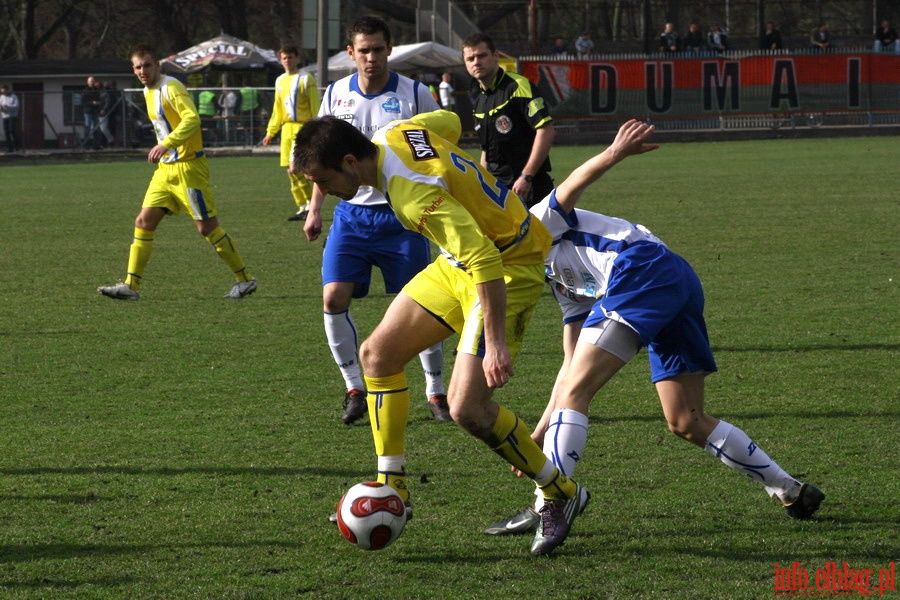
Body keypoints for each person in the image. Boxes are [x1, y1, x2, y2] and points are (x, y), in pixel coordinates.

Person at [482, 120, 825, 538]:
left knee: (580, 392)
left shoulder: (533, 225)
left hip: (642, 271)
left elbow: (571, 185)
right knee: (686, 420)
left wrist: (614, 152)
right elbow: (569, 362)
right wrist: (537, 432)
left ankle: (551, 502)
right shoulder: (553, 278)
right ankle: (790, 489)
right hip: (674, 280)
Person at [292, 110, 589, 556]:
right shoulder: (394, 131)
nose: (324, 191)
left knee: (468, 408)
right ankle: (394, 485)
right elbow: (448, 121)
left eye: (323, 179)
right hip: (459, 263)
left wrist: (496, 344)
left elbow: (485, 258)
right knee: (377, 356)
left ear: (351, 161)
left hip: (506, 267)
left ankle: (560, 490)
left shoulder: (413, 196)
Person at [301, 16, 449, 425]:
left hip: (403, 215)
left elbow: (438, 150)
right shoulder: (335, 95)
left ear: (389, 50)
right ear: (350, 53)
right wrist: (315, 209)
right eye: (363, 50)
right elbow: (322, 158)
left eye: (378, 49)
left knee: (422, 306)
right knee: (333, 298)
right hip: (350, 216)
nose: (371, 57)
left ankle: (436, 392)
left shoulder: (416, 94)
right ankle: (354, 388)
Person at [98, 45, 256, 301]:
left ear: (157, 65)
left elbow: (191, 119)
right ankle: (131, 286)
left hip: (188, 168)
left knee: (207, 228)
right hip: (165, 171)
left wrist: (166, 144)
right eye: (138, 67)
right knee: (143, 222)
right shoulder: (147, 91)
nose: (142, 71)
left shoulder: (171, 87)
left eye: (147, 65)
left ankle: (245, 279)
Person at [463, 32, 556, 209]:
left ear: (495, 56)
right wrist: (482, 184)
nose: (476, 62)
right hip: (498, 191)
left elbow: (546, 131)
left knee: (543, 236)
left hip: (529, 187)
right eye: (470, 58)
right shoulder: (479, 102)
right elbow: (486, 152)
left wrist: (526, 177)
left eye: (482, 55)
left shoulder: (518, 87)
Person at [262, 45, 321, 222]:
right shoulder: (280, 80)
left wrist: (315, 129)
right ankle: (303, 206)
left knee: (296, 168)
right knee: (291, 171)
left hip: (302, 129)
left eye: (290, 57)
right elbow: (277, 109)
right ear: (280, 60)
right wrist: (270, 132)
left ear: (297, 58)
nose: (287, 61)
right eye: (284, 58)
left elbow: (315, 106)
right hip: (286, 130)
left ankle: (311, 204)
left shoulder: (305, 78)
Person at [81, 76, 103, 149]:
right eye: (90, 81)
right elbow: (83, 102)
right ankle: (86, 145)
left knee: (96, 128)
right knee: (87, 128)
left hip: (95, 111)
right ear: (88, 82)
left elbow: (99, 99)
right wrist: (92, 103)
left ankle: (96, 145)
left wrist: (98, 103)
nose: (92, 82)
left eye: (93, 81)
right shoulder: (85, 91)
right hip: (88, 112)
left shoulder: (96, 90)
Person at [97, 80, 120, 148]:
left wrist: (104, 109)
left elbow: (108, 102)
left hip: (107, 112)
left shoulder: (105, 93)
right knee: (102, 128)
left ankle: (110, 141)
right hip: (101, 112)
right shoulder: (99, 93)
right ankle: (104, 142)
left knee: (104, 128)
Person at [0, 84, 20, 153]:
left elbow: (16, 106)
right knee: (6, 133)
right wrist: (1, 107)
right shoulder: (2, 97)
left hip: (12, 116)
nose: (3, 93)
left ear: (8, 90)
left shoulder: (13, 97)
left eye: (4, 91)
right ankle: (9, 148)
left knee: (12, 131)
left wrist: (8, 106)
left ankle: (17, 145)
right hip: (4, 116)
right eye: (2, 92)